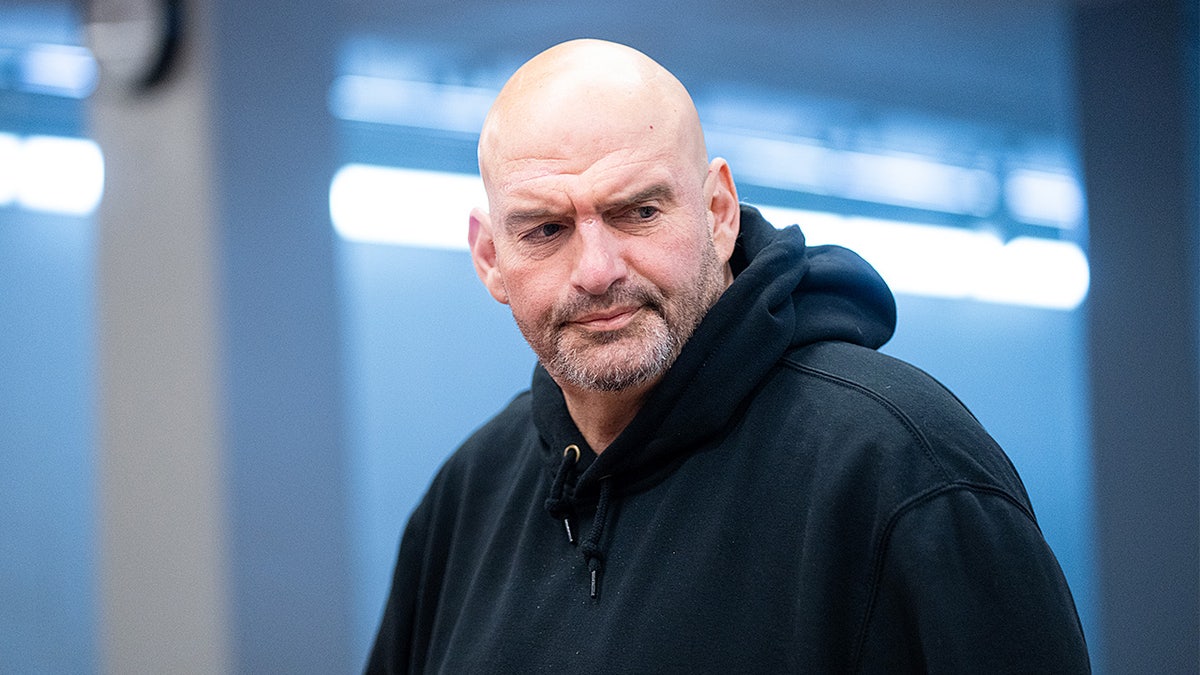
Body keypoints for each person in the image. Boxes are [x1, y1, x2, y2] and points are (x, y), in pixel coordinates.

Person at [367, 38, 1090, 673]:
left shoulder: (903, 471)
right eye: (546, 229)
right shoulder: (467, 497)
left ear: (718, 212)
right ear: (490, 256)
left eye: (638, 211)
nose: (596, 269)